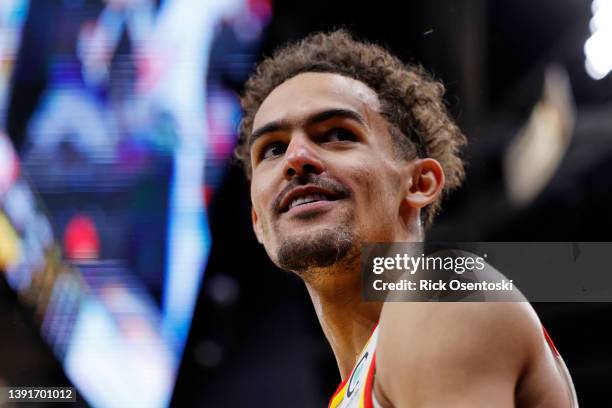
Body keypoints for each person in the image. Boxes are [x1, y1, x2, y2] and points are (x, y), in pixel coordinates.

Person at [234, 30, 578, 407]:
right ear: (256, 220)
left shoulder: (438, 295)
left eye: (336, 134)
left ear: (419, 183)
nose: (295, 158)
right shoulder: (364, 379)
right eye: (272, 149)